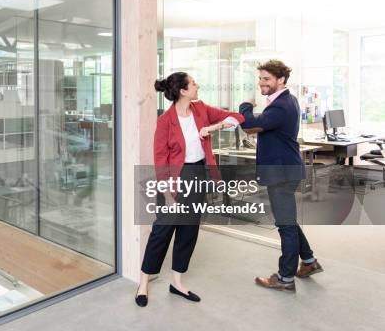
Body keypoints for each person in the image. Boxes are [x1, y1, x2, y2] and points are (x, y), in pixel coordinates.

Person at [135, 72, 244, 307]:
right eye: (193, 83)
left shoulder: (201, 109)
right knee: (161, 232)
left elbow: (237, 117)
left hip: (197, 175)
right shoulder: (165, 121)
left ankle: (177, 282)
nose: (197, 85)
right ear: (183, 91)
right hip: (173, 179)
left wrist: (214, 127)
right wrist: (166, 194)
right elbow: (160, 160)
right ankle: (143, 283)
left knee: (189, 231)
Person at [239, 59, 324, 293]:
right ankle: (308, 262)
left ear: (281, 80)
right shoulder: (286, 100)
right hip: (286, 169)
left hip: (281, 172)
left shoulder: (280, 105)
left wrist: (245, 105)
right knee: (289, 220)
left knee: (285, 225)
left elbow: (249, 125)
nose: (261, 83)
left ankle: (285, 278)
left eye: (266, 79)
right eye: (260, 78)